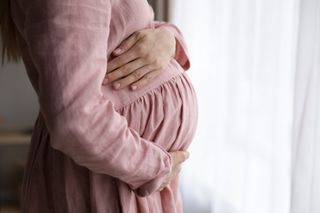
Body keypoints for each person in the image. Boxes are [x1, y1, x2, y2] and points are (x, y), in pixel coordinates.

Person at [1, 0, 198, 212]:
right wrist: (152, 168)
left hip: (129, 173)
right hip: (110, 175)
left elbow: (125, 26)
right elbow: (74, 119)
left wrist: (168, 38)